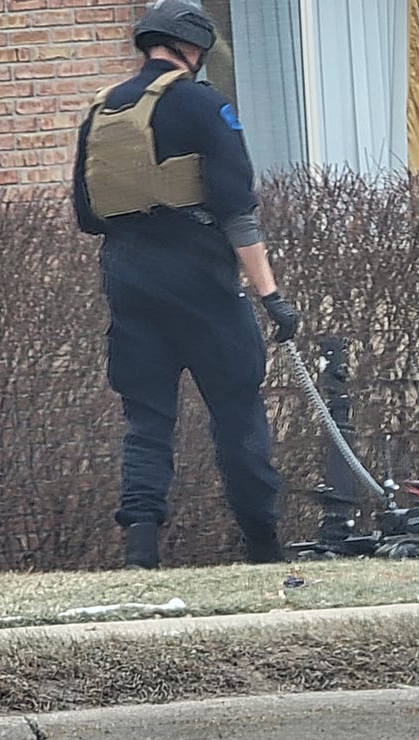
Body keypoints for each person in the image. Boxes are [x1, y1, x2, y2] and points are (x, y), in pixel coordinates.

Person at [72, 0, 299, 569]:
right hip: (201, 283)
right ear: (193, 50)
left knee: (147, 421)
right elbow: (236, 210)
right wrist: (271, 297)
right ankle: (264, 548)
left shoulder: (101, 110)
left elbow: (87, 214)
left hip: (127, 280)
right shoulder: (203, 104)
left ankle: (140, 553)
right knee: (237, 411)